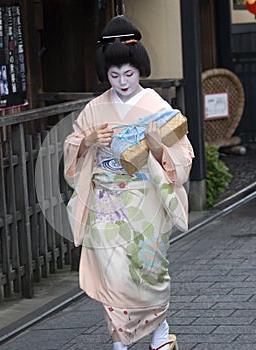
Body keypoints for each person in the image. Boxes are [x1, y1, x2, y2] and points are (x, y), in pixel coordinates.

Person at [63, 15, 194, 350]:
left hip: (145, 198)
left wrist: (153, 146)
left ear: (140, 70)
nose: (122, 80)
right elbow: (72, 150)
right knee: (113, 274)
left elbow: (182, 155)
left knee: (148, 269)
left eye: (129, 73)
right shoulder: (94, 109)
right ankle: (120, 339)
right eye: (114, 74)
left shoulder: (155, 105)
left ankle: (159, 330)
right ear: (105, 74)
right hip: (107, 202)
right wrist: (88, 140)